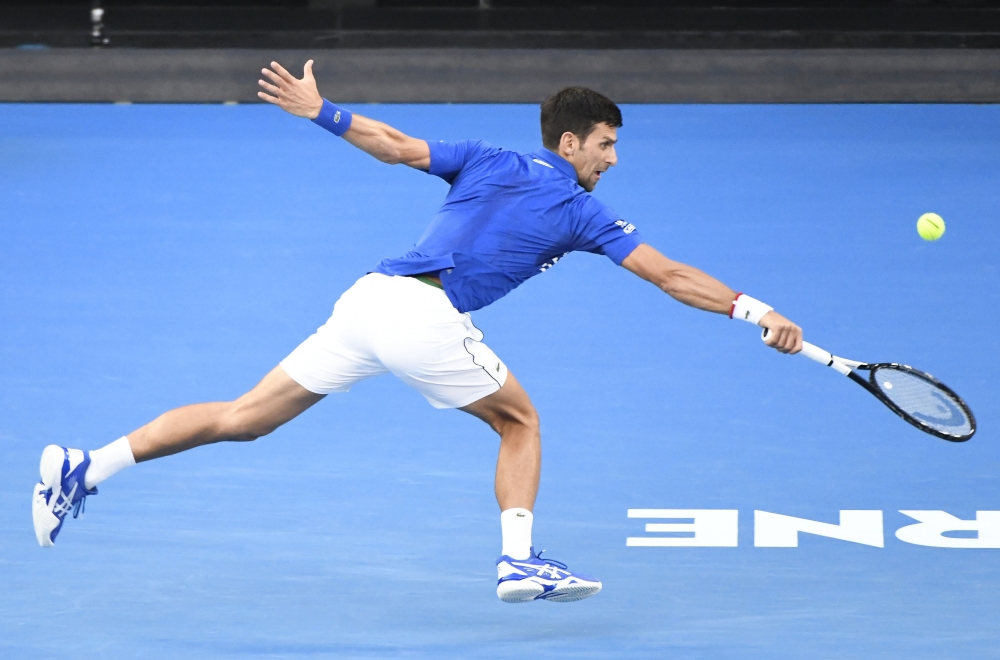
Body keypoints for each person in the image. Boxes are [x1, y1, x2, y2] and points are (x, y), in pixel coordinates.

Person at [32, 60, 803, 603]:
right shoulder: (580, 208)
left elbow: (396, 146)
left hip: (368, 300)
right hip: (425, 316)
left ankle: (84, 468)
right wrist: (755, 310)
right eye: (605, 143)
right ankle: (518, 563)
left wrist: (322, 113)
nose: (612, 158)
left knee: (245, 417)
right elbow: (667, 274)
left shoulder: (489, 157)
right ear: (569, 143)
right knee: (520, 421)